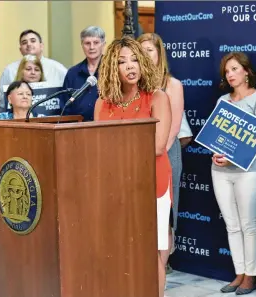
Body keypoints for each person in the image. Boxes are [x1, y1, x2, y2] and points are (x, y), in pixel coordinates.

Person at [93, 36, 172, 297]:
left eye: (135, 59)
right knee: (119, 250)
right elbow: (97, 147)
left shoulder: (156, 97)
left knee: (151, 250)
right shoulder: (102, 103)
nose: (131, 66)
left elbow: (158, 146)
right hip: (115, 185)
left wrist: (115, 150)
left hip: (152, 183)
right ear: (111, 68)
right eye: (122, 61)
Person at [211, 52, 256, 295]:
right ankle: (238, 273)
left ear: (246, 72)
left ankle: (251, 276)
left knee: (248, 224)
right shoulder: (222, 101)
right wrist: (215, 154)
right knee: (232, 225)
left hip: (249, 171)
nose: (231, 74)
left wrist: (233, 156)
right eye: (227, 71)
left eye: (235, 69)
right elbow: (215, 135)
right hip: (220, 171)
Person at [138, 33, 184, 238]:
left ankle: (165, 259)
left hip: (165, 152)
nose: (145, 55)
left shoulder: (172, 85)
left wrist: (156, 154)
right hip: (139, 155)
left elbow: (174, 128)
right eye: (141, 51)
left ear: (159, 54)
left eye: (149, 50)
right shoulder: (134, 84)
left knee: (166, 207)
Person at [0, 29, 67, 114]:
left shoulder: (58, 69)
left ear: (41, 46)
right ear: (20, 49)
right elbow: (2, 104)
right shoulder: (9, 70)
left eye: (33, 41)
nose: (29, 44)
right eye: (24, 42)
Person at [61, 26, 106, 121]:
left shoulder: (112, 70)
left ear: (103, 44)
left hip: (106, 126)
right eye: (87, 43)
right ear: (82, 45)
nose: (92, 47)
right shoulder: (72, 73)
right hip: (78, 128)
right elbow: (65, 106)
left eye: (96, 43)